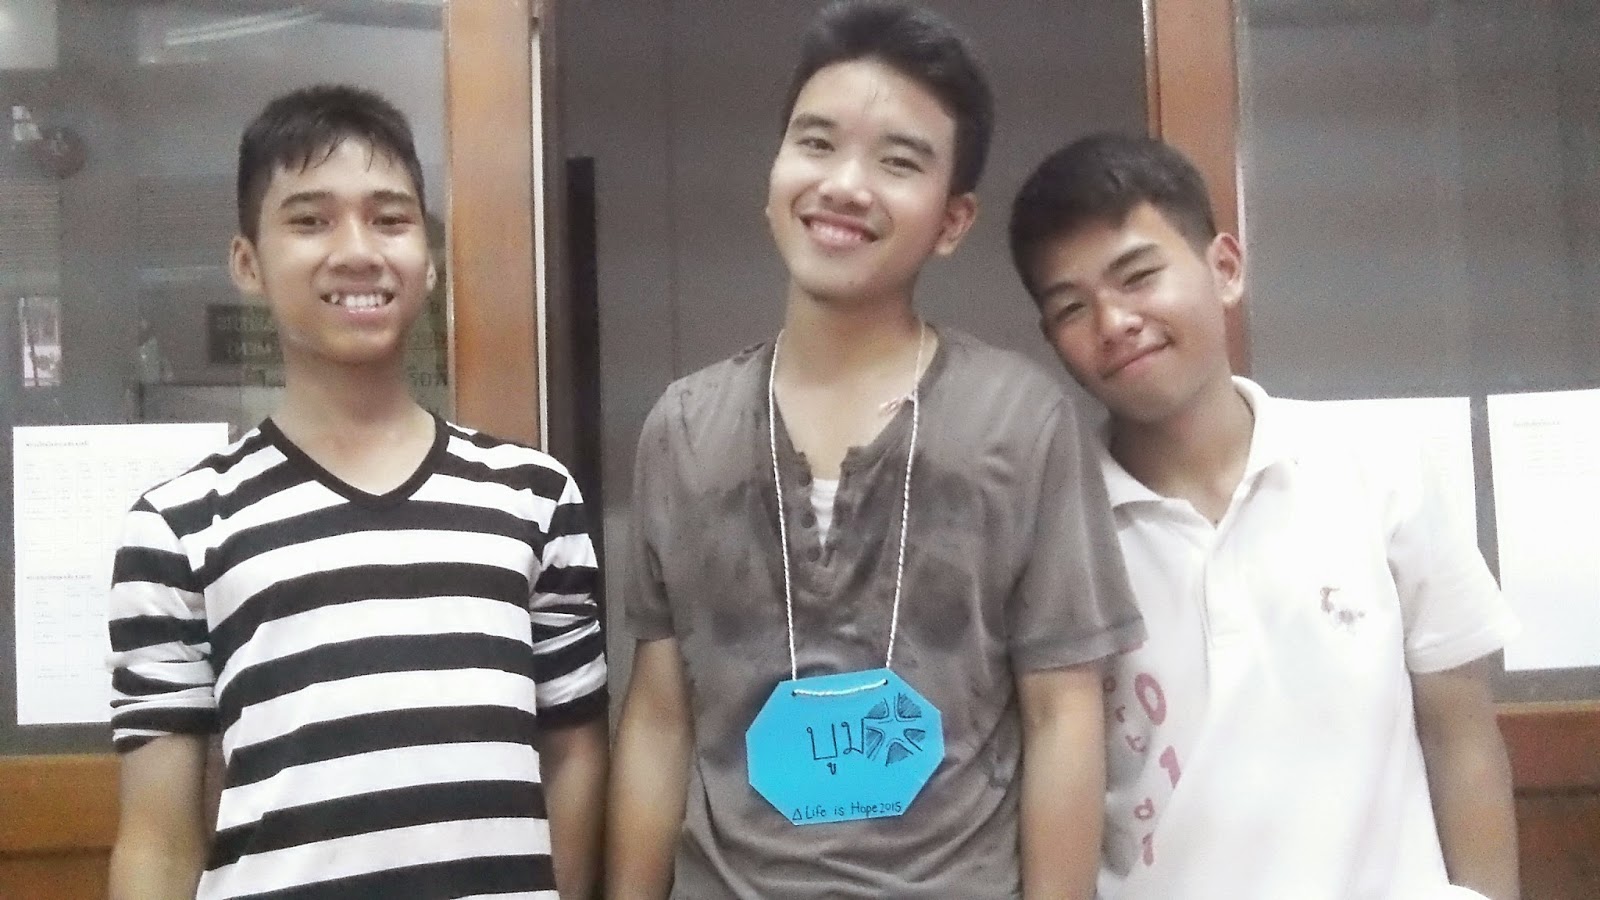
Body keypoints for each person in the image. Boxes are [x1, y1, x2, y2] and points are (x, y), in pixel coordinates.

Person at [606, 3, 1143, 898]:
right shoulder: (684, 427)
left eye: (898, 162)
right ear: (774, 174)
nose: (845, 185)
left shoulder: (1020, 421)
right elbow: (661, 718)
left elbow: (1063, 716)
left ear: (953, 220)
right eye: (816, 144)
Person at [106, 84, 607, 900]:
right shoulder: (177, 528)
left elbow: (575, 757)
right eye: (310, 220)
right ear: (247, 263)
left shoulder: (535, 499)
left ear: (429, 258)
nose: (357, 251)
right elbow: (157, 844)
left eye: (390, 219)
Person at [1008, 132, 1521, 900]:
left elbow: (1461, 734)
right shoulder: (1050, 529)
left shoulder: (1379, 466)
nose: (1113, 322)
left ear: (1224, 268)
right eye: (1072, 308)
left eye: (1138, 277)